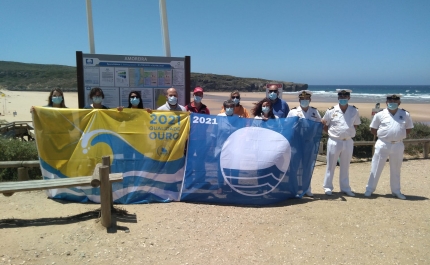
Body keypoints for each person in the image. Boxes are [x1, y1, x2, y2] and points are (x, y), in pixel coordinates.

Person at [364, 94, 414, 200]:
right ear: (386, 102)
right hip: (383, 144)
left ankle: (396, 191)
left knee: (396, 168)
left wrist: (398, 135)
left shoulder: (405, 114)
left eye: (395, 100)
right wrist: (384, 136)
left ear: (399, 102)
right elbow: (373, 129)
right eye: (390, 100)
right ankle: (369, 189)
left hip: (398, 145)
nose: (392, 102)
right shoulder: (380, 114)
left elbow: (408, 128)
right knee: (376, 167)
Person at [322, 89, 361, 196]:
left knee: (345, 165)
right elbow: (325, 125)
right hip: (334, 141)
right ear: (338, 98)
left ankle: (345, 188)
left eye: (345, 96)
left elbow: (356, 124)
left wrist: (347, 133)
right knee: (331, 165)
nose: (343, 98)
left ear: (349, 98)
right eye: (341, 96)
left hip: (348, 141)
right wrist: (332, 133)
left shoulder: (354, 110)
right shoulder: (331, 110)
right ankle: (328, 187)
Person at [287, 90, 322, 197]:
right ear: (299, 100)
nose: (304, 101)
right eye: (302, 99)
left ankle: (307, 188)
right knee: (295, 166)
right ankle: (294, 188)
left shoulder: (314, 112)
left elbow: (319, 124)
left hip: (309, 143)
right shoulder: (293, 112)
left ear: (310, 100)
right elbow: (288, 126)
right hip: (296, 143)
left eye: (306, 99)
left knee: (308, 166)